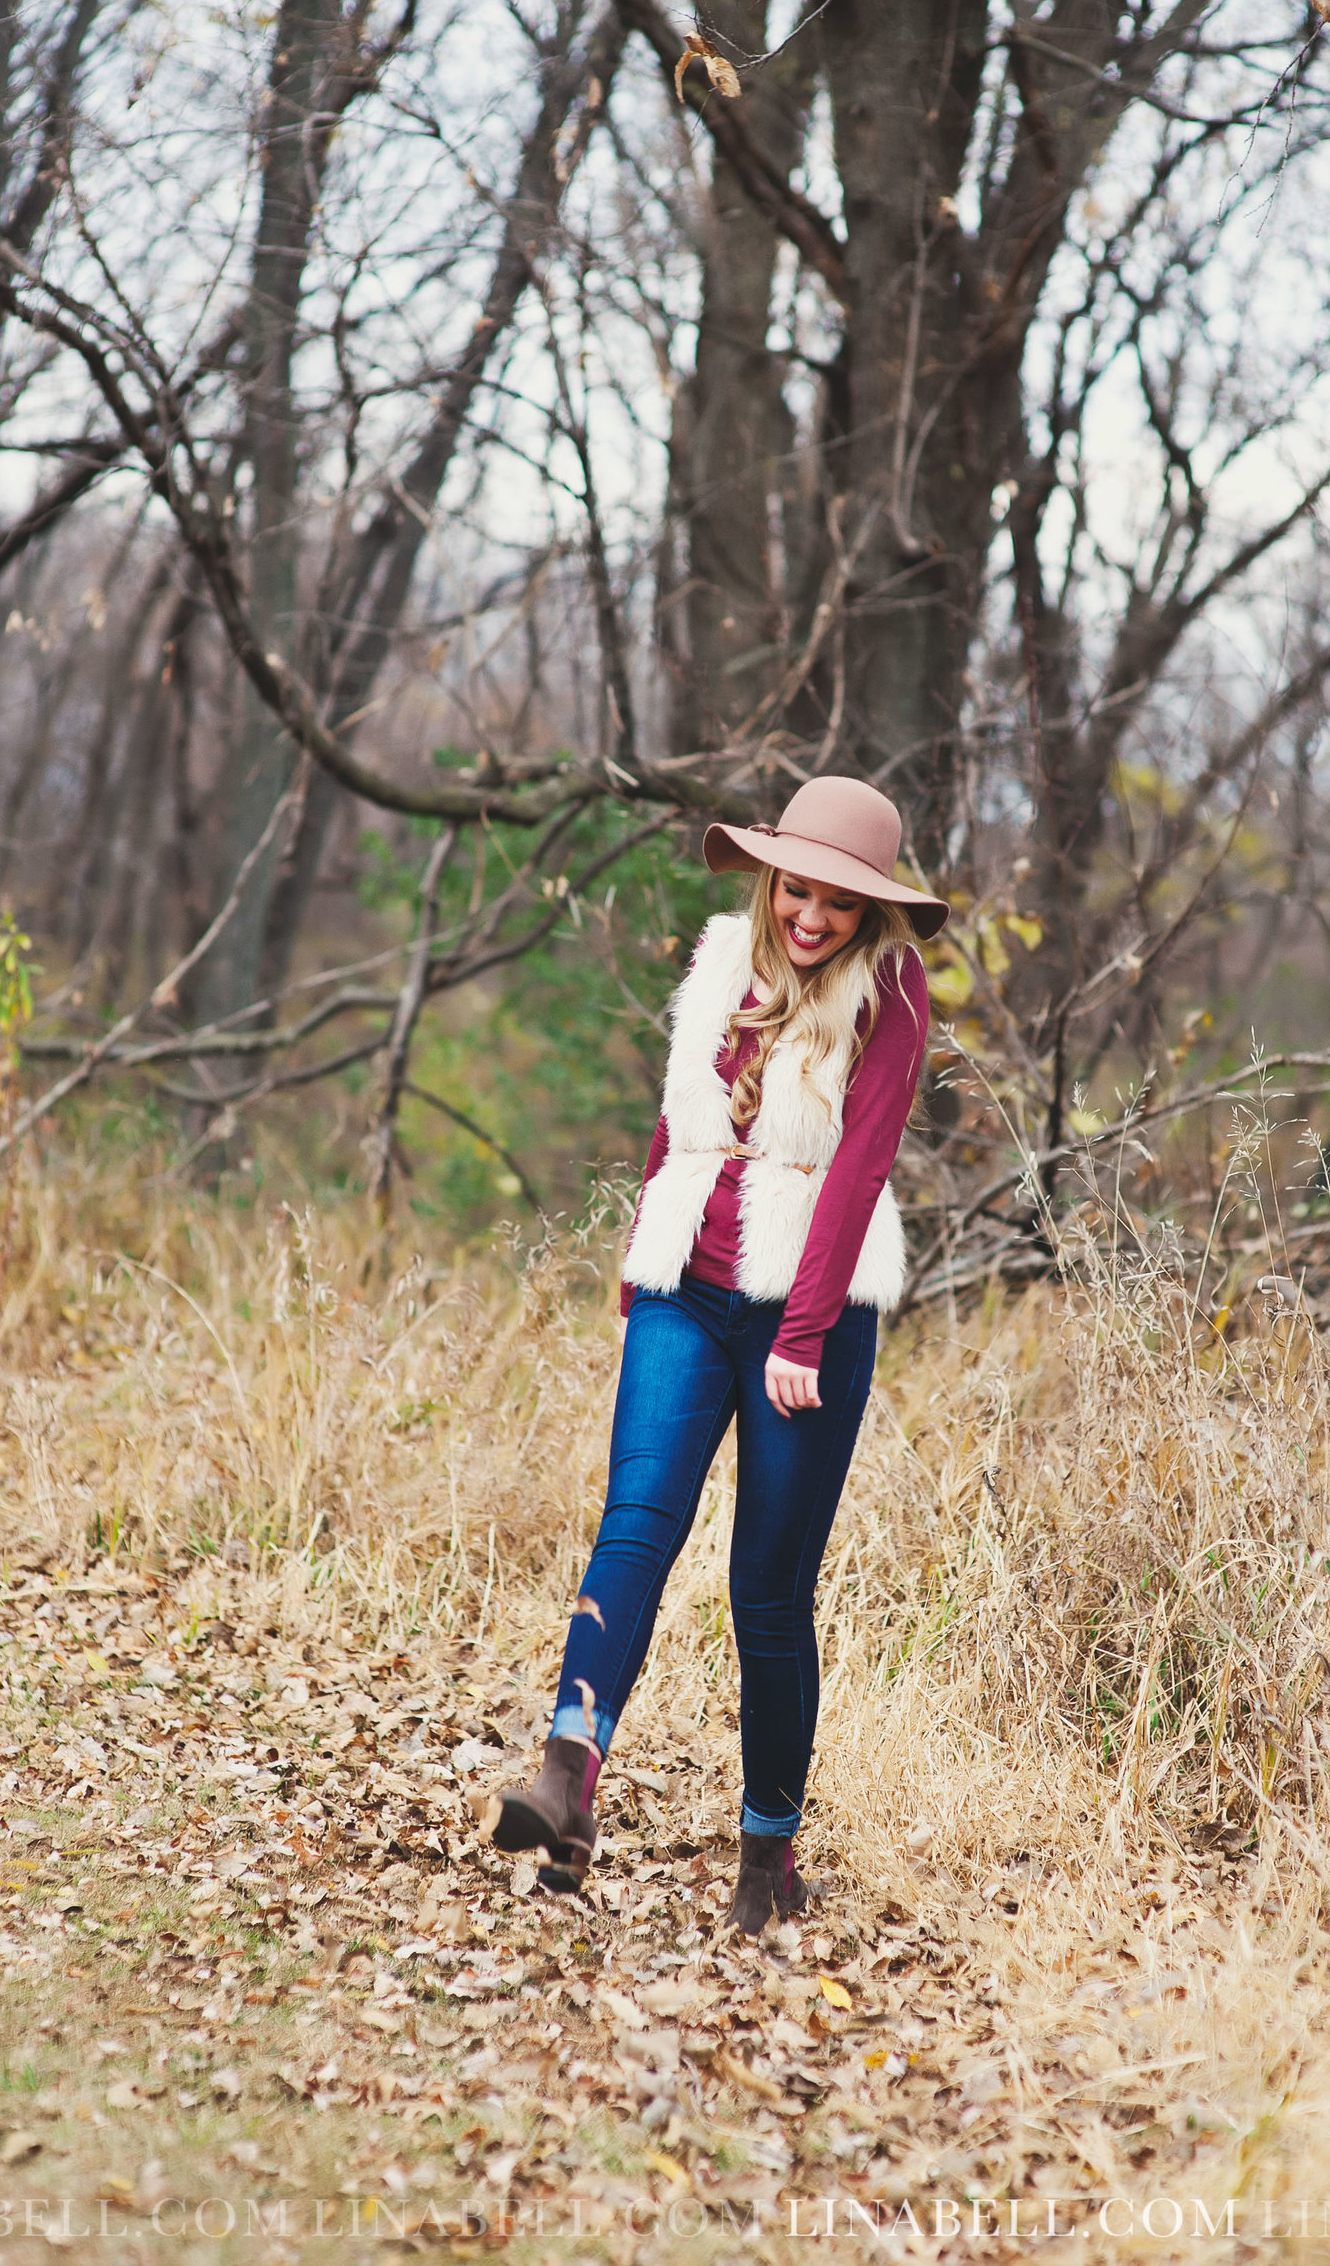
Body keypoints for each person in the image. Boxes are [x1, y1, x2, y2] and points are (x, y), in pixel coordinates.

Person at [490, 776, 948, 1933]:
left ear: (868, 911)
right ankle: (569, 1768)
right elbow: (675, 1121)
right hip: (684, 1294)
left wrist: (800, 1329)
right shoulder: (715, 962)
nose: (810, 917)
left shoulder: (890, 991)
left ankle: (766, 1860)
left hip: (813, 1316)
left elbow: (861, 1165)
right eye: (797, 890)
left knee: (768, 1594)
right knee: (635, 1520)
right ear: (769, 878)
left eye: (837, 903)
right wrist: (642, 1248)